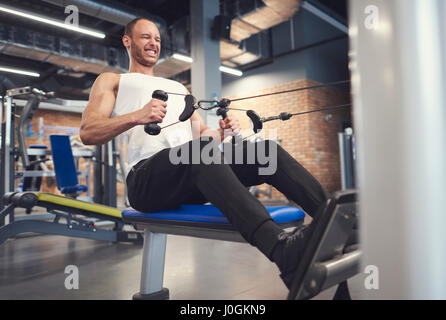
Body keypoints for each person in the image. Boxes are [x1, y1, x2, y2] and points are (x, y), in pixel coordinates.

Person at [80, 17, 328, 290]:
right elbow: (89, 132)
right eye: (145, 37)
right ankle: (282, 250)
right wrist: (137, 115)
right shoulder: (113, 80)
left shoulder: (178, 89)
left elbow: (204, 136)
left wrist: (223, 131)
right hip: (145, 180)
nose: (153, 43)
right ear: (127, 41)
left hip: (187, 175)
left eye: (158, 39)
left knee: (264, 151)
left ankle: (335, 223)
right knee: (198, 152)